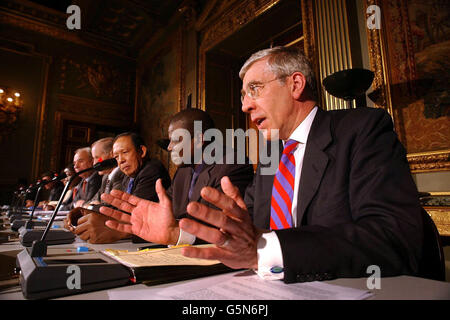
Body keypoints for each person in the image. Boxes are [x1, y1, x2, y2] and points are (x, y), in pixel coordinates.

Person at [100, 46, 424, 283]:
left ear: (295, 84)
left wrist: (264, 252)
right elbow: (243, 234)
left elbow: (394, 236)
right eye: (242, 95)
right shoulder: (270, 157)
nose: (244, 105)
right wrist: (177, 232)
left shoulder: (362, 129)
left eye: (254, 89)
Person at [100, 109, 254, 246]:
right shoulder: (183, 172)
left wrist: (173, 232)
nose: (169, 147)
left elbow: (220, 228)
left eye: (176, 140)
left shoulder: (233, 164)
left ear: (200, 139)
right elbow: (166, 212)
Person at [63, 137, 126, 243]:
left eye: (97, 158)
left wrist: (90, 206)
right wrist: (90, 206)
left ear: (111, 155)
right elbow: (95, 200)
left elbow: (111, 208)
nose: (94, 163)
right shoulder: (106, 177)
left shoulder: (121, 175)